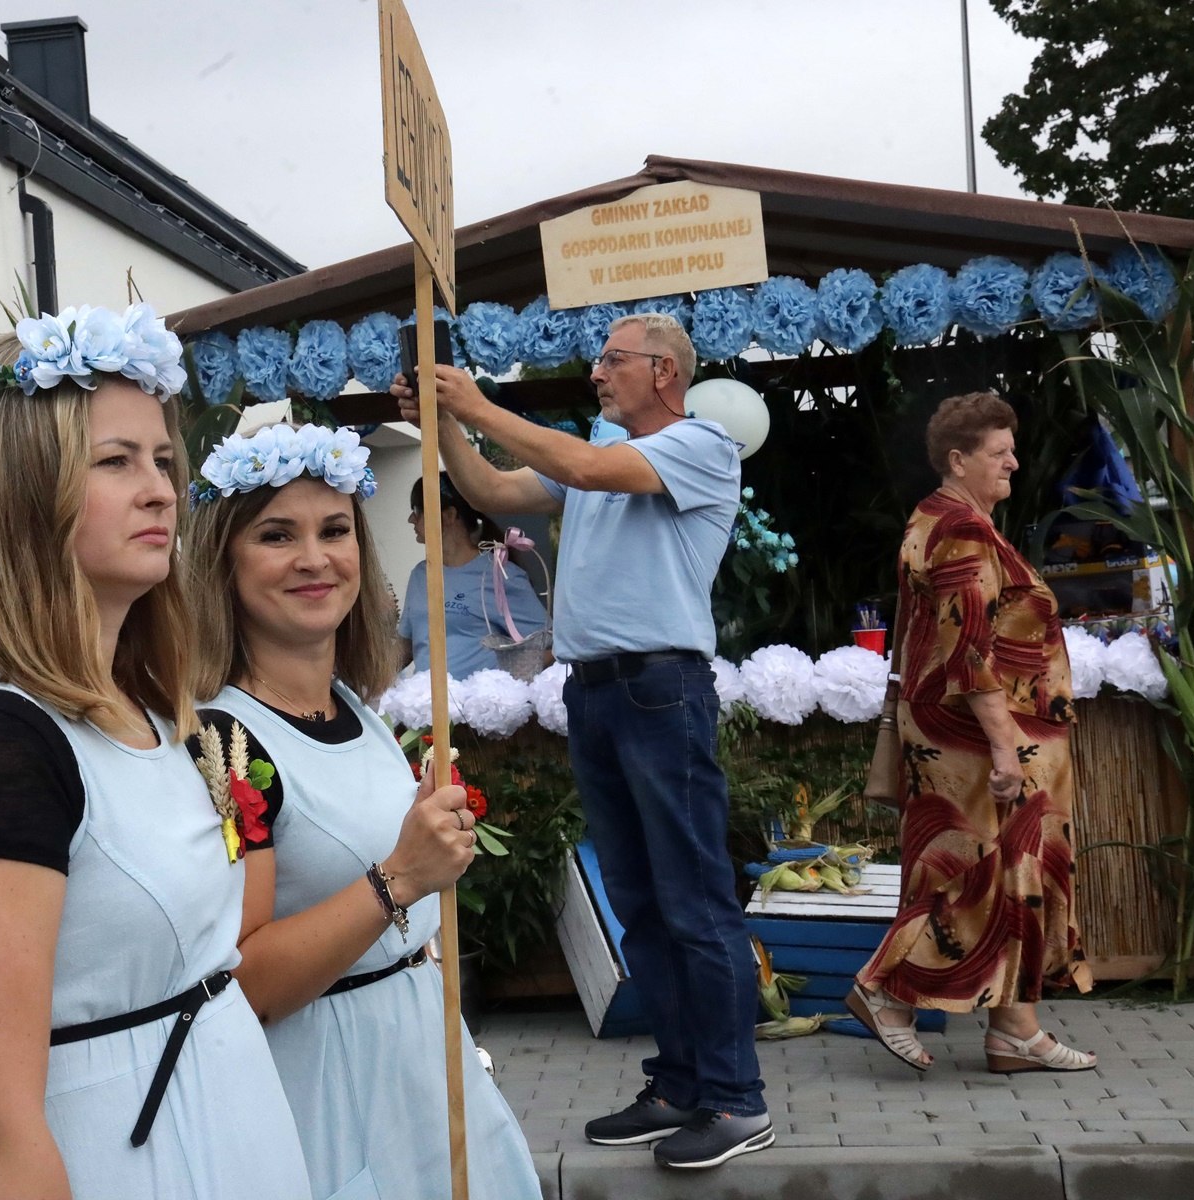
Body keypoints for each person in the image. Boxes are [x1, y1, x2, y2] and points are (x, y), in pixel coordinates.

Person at [0, 305, 310, 1200]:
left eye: (162, 461)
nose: (160, 491)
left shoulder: (150, 713)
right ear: (25, 492)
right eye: (115, 462)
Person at [394, 312, 771, 1171]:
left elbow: (587, 466)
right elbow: (490, 493)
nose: (598, 374)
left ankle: (735, 1098)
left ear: (666, 372)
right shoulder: (604, 453)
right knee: (640, 899)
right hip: (599, 690)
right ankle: (680, 1086)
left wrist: (474, 401)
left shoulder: (699, 444)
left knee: (694, 900)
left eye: (613, 361)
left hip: (660, 687)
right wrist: (441, 422)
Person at [183, 419, 542, 1200]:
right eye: (277, 535)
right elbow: (244, 983)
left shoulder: (358, 706)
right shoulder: (225, 744)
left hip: (425, 1069)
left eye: (335, 530)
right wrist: (399, 879)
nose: (315, 559)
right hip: (328, 1094)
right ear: (225, 562)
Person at [846, 391, 1095, 1073]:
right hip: (974, 736)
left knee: (1008, 870)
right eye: (999, 450)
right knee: (975, 870)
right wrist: (1003, 744)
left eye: (1012, 447)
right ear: (959, 460)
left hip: (965, 730)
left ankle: (1015, 1029)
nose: (1013, 460)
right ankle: (886, 990)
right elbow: (970, 651)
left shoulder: (948, 519)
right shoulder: (961, 529)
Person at [396, 476, 548, 678]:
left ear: (448, 515)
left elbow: (548, 645)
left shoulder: (500, 573)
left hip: (481, 708)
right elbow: (404, 648)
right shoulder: (420, 575)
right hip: (427, 708)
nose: (411, 519)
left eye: (417, 511)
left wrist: (504, 690)